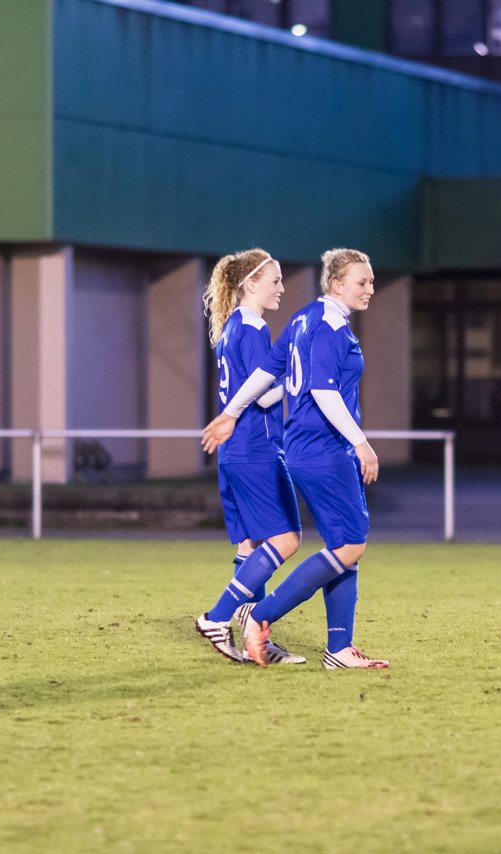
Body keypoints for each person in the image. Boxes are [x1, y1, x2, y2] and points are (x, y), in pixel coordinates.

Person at [202, 248, 389, 670]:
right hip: (318, 447)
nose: (370, 289)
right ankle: (256, 616)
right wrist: (360, 442)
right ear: (337, 284)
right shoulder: (325, 326)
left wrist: (229, 414)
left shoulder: (303, 318)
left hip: (295, 447)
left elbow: (266, 372)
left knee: (335, 545)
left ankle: (339, 649)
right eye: (363, 282)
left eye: (372, 282)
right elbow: (322, 391)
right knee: (341, 544)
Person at [195, 249, 305, 666]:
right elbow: (264, 395)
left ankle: (256, 639)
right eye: (274, 280)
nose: (281, 288)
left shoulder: (230, 328)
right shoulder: (254, 328)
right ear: (250, 284)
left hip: (235, 451)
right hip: (256, 448)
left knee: (251, 544)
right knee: (286, 539)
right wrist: (301, 379)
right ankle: (218, 617)